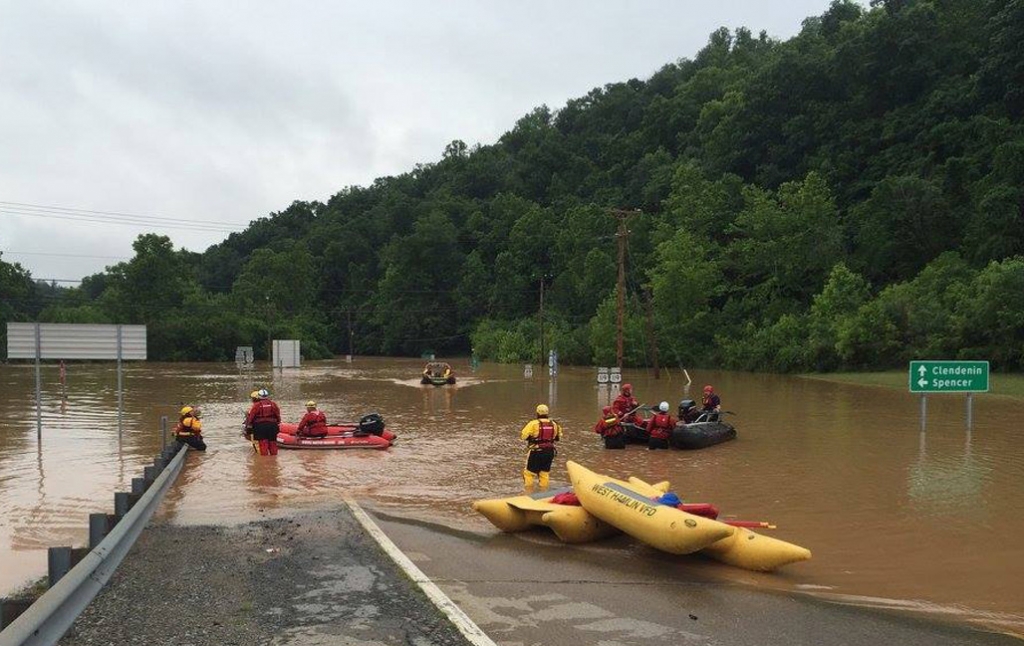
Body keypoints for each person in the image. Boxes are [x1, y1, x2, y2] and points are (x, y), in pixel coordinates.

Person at [520, 403, 562, 492]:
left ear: (537, 413)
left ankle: (528, 493)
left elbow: (523, 436)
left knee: (529, 473)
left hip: (536, 451)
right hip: (550, 452)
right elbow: (559, 437)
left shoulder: (533, 423)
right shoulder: (555, 424)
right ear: (547, 413)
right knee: (544, 473)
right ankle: (543, 492)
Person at [244, 388, 281, 456]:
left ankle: (265, 461)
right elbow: (278, 415)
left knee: (263, 444)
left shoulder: (257, 405)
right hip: (272, 426)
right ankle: (274, 459)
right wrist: (278, 423)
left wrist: (249, 426)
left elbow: (251, 417)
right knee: (273, 444)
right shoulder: (273, 404)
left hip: (260, 427)